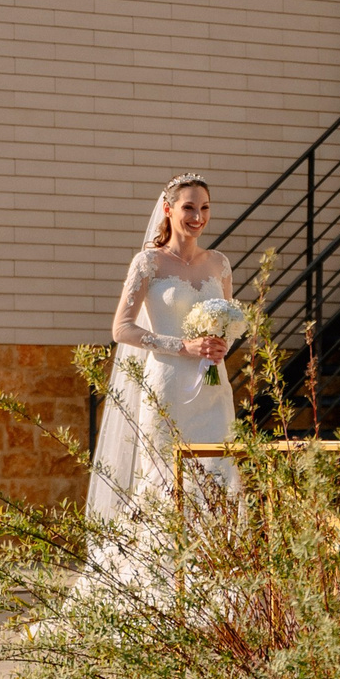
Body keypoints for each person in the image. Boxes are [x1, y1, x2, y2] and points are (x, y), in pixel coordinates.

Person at [88, 174, 240, 530]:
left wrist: (221, 344)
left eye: (204, 208)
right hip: (168, 389)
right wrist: (183, 347)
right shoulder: (148, 263)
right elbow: (121, 328)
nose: (197, 217)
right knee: (164, 480)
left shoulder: (219, 264)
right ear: (169, 210)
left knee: (217, 474)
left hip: (213, 390)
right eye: (189, 208)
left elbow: (228, 324)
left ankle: (216, 570)